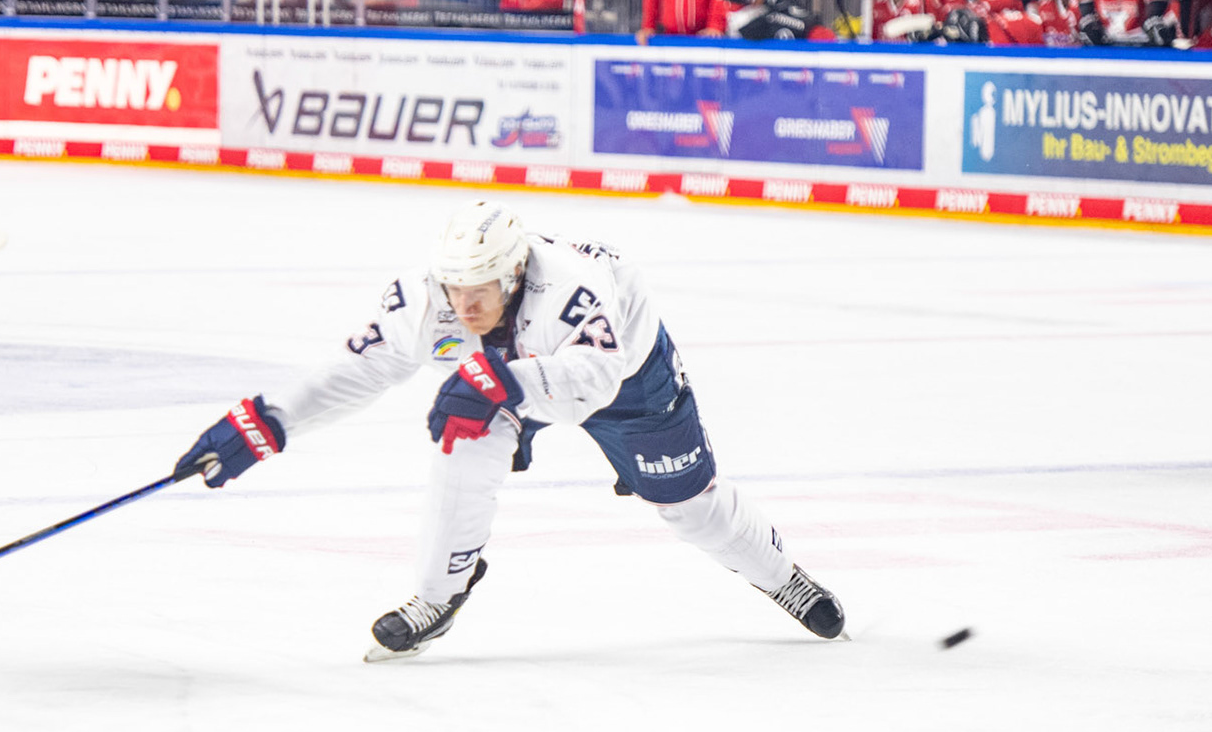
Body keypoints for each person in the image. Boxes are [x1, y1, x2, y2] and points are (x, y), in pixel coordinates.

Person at [175, 203, 847, 663]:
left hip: (626, 376)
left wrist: (502, 382)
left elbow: (598, 378)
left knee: (689, 506)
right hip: (516, 377)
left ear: (516, 272)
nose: (462, 306)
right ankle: (439, 596)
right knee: (463, 439)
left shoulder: (572, 290)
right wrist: (263, 422)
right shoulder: (430, 297)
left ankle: (782, 576)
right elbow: (362, 367)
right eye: (453, 288)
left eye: (480, 291)